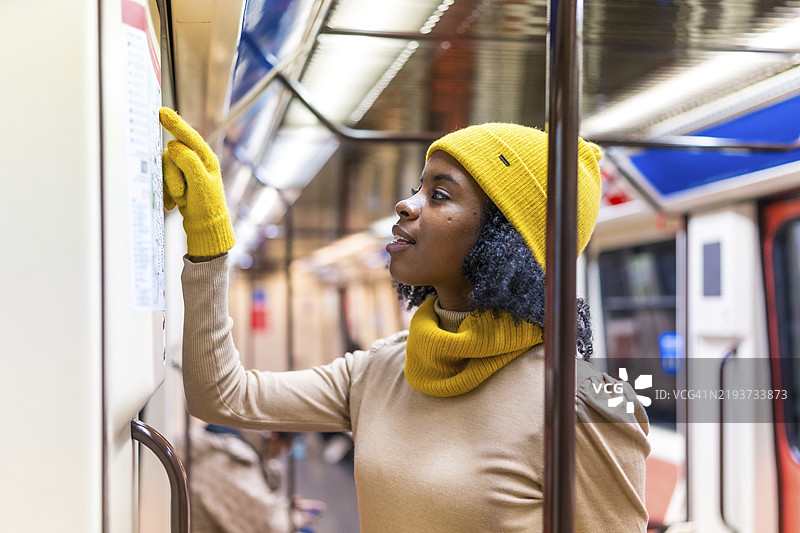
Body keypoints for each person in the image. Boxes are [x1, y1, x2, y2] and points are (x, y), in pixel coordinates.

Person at [160, 107, 650, 532]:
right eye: (419, 186)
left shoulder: (586, 405)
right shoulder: (382, 369)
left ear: (503, 238)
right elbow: (221, 395)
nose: (405, 203)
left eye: (439, 195)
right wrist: (208, 247)